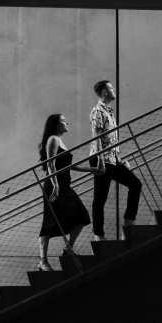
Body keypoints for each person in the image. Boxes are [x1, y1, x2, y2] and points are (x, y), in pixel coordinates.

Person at [37, 114, 95, 271]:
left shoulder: (60, 141)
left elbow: (69, 165)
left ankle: (68, 248)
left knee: (81, 216)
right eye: (63, 120)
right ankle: (43, 261)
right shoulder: (53, 140)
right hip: (53, 185)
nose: (67, 122)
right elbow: (51, 164)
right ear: (56, 125)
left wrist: (92, 170)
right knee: (49, 220)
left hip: (64, 186)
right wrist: (55, 185)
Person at [89, 80, 142, 241]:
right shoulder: (98, 110)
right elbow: (97, 136)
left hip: (112, 159)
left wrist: (119, 160)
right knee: (100, 198)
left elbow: (111, 140)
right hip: (101, 159)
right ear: (104, 92)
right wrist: (99, 159)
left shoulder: (109, 111)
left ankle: (128, 220)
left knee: (135, 184)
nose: (114, 90)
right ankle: (99, 235)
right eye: (111, 88)